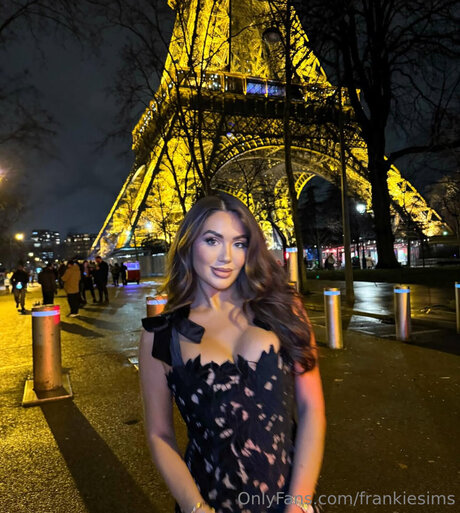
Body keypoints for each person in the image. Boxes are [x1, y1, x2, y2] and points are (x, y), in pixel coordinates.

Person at [139, 194, 326, 513]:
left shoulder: (284, 309)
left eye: (239, 243)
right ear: (188, 244)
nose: (226, 256)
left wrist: (299, 503)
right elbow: (159, 434)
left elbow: (312, 409)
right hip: (208, 502)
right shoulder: (160, 335)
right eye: (212, 240)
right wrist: (195, 507)